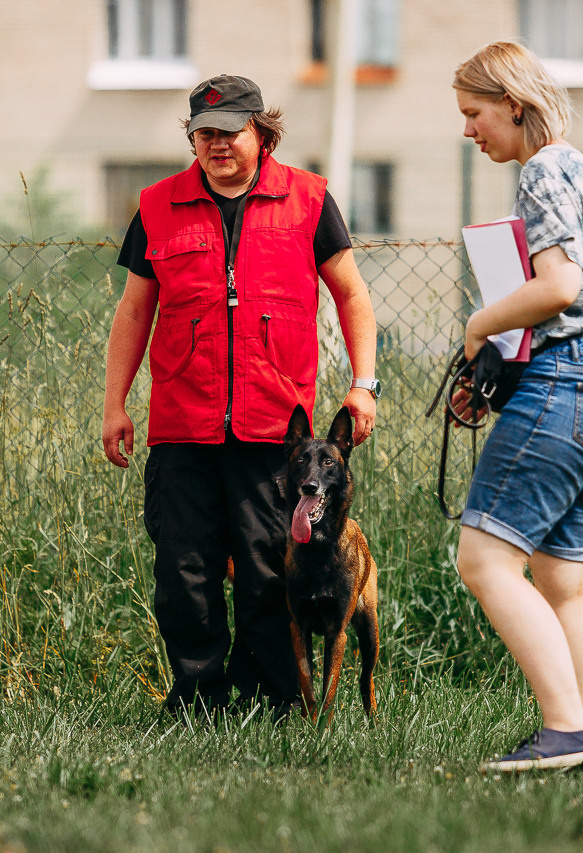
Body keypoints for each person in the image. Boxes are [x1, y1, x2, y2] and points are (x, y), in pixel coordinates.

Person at [102, 74, 380, 721]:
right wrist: (115, 403)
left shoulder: (308, 200)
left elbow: (353, 295)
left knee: (265, 574)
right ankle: (199, 700)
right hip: (182, 427)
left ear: (262, 132)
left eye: (230, 132)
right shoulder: (158, 204)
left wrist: (363, 384)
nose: (216, 144)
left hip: (270, 437)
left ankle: (271, 703)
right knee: (183, 575)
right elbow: (134, 310)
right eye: (204, 133)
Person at [450, 42, 583, 772]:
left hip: (567, 379)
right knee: (563, 578)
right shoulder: (582, 169)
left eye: (475, 114)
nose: (469, 131)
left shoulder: (541, 169)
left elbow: (557, 288)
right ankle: (575, 736)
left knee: (484, 556)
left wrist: (479, 325)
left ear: (514, 105)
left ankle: (565, 730)